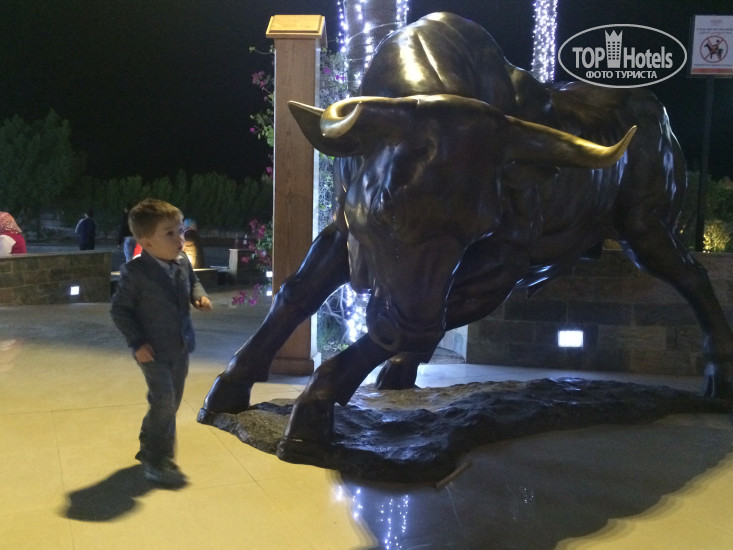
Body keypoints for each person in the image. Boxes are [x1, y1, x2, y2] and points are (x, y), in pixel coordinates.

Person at [110, 198, 213, 487]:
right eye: (170, 233)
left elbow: (193, 283)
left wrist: (199, 296)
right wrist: (136, 342)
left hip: (180, 346)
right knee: (164, 401)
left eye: (180, 231)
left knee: (170, 402)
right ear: (147, 243)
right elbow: (119, 310)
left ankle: (149, 442)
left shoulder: (182, 262)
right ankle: (157, 459)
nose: (180, 239)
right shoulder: (136, 272)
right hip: (151, 350)